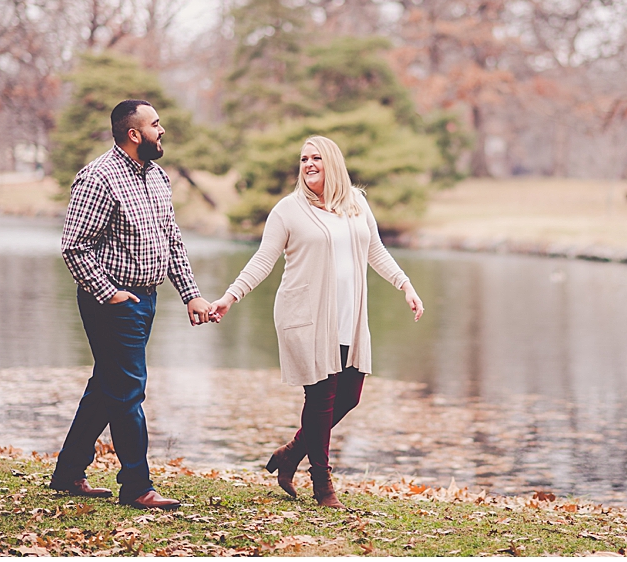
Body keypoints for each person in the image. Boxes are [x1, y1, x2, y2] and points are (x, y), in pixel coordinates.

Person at [202, 135, 423, 508]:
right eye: (304, 158)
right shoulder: (287, 210)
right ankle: (323, 487)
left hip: (348, 316)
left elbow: (376, 251)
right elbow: (262, 260)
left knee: (349, 395)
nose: (308, 164)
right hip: (304, 315)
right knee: (321, 398)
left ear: (332, 162)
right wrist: (230, 296)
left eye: (316, 157)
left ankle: (290, 453)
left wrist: (406, 285)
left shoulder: (356, 203)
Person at [49, 99, 212, 510]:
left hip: (147, 298)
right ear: (134, 133)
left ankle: (68, 472)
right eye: (156, 124)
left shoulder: (157, 177)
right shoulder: (99, 177)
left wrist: (190, 293)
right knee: (128, 391)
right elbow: (75, 247)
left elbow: (171, 241)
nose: (163, 131)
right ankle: (137, 485)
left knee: (108, 387)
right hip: (112, 302)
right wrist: (112, 294)